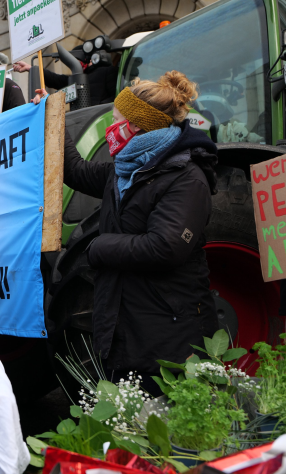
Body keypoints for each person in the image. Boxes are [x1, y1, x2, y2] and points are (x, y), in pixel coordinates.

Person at [36, 71, 219, 387]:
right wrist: (52, 117)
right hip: (124, 328)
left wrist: (97, 247)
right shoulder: (124, 171)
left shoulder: (186, 179)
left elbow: (165, 246)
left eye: (116, 119)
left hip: (167, 336)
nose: (110, 127)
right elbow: (76, 171)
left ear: (136, 126)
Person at [13, 53, 117, 105]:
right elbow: (55, 79)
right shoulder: (75, 79)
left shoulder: (108, 71)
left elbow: (115, 96)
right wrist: (31, 68)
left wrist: (99, 107)